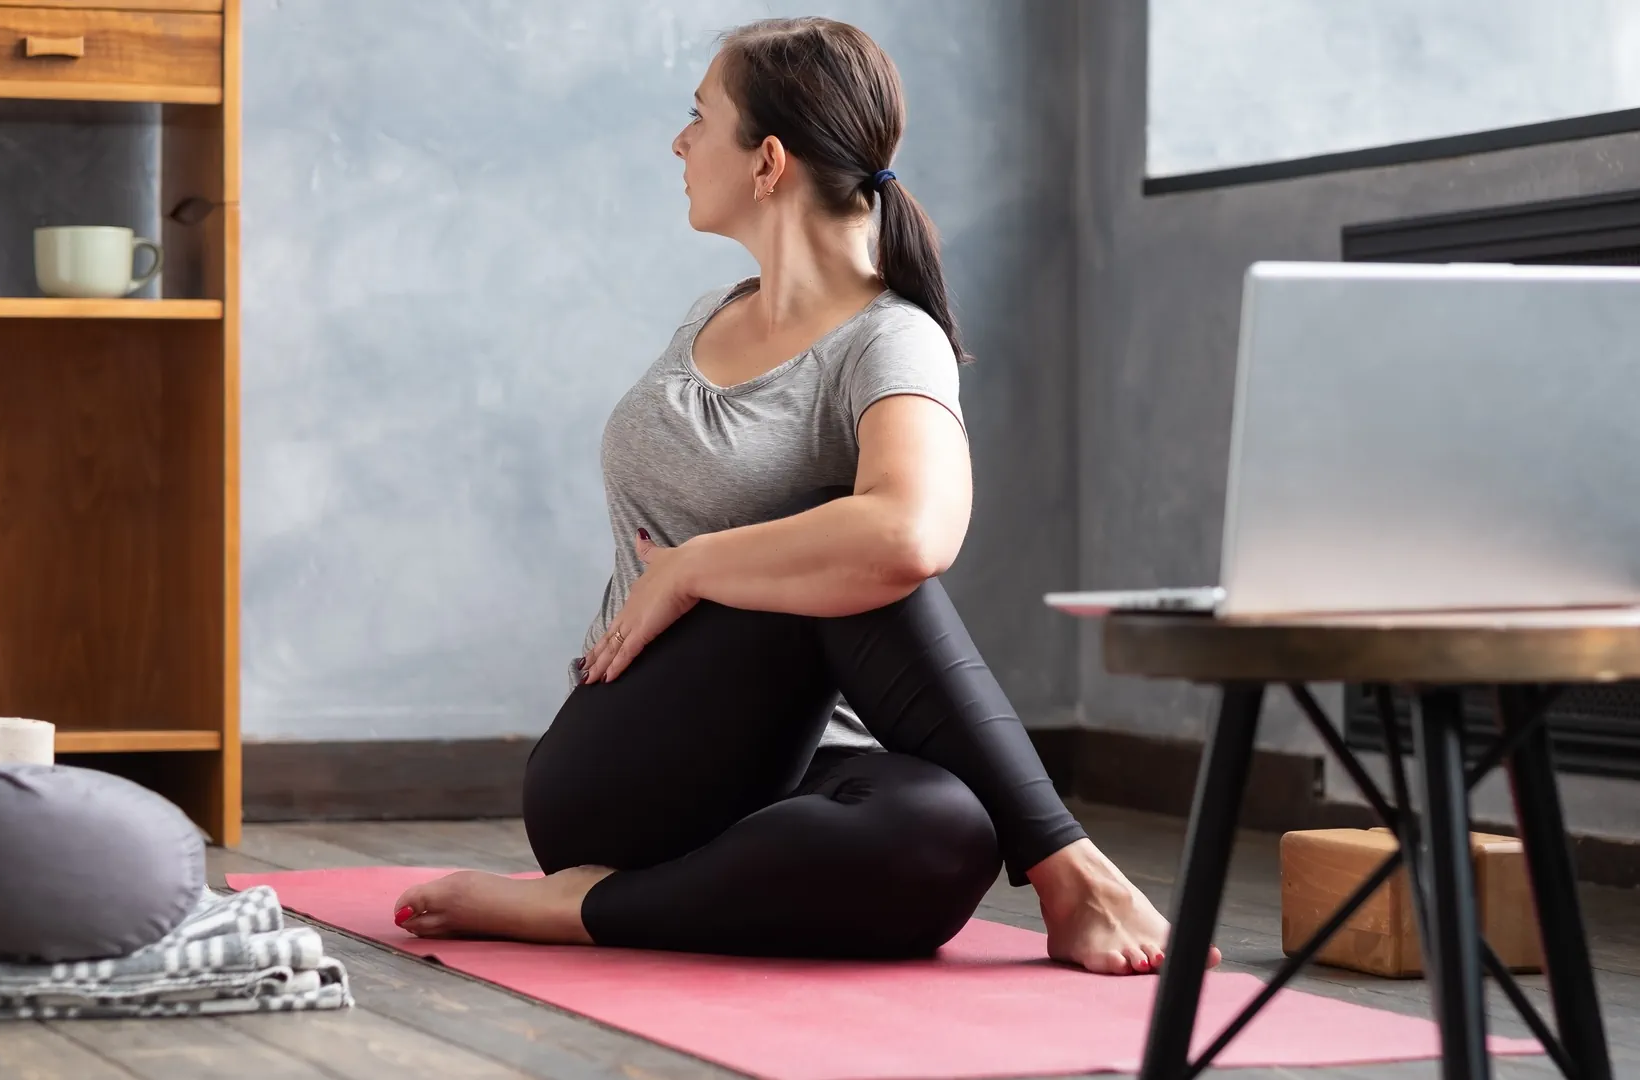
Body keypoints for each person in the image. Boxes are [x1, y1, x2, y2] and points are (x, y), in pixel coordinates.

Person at [390, 15, 1217, 977]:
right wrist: (709, 574)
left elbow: (914, 531)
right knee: (845, 554)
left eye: (700, 118)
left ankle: (590, 908)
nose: (680, 141)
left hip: (807, 773)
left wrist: (696, 565)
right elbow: (891, 550)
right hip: (626, 770)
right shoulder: (712, 312)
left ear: (767, 160)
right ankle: (1073, 867)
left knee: (947, 831)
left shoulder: (889, 342)